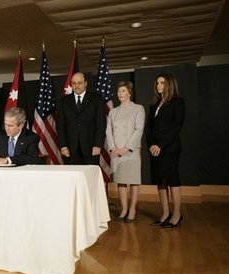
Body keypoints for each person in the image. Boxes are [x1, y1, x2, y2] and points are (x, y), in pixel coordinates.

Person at [146, 73, 186, 228]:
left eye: (161, 83)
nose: (158, 86)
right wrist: (151, 145)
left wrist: (160, 145)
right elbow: (148, 128)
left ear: (169, 84)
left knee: (172, 180)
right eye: (157, 83)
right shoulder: (154, 104)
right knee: (160, 182)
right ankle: (165, 214)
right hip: (154, 149)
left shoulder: (178, 102)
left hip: (169, 148)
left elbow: (176, 127)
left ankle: (176, 214)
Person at [106, 81, 145, 222]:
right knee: (120, 181)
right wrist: (113, 148)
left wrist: (126, 148)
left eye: (123, 91)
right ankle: (124, 208)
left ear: (129, 92)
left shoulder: (138, 109)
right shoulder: (113, 112)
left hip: (131, 151)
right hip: (116, 151)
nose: (120, 93)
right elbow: (108, 131)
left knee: (133, 180)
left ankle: (132, 209)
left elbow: (139, 129)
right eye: (119, 91)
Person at [57, 72, 107, 165]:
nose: (76, 86)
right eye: (74, 83)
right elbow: (60, 126)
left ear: (86, 83)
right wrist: (63, 146)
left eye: (79, 83)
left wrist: (98, 145)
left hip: (91, 148)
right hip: (70, 150)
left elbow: (101, 124)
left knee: (90, 177)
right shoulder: (64, 101)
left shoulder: (96, 99)